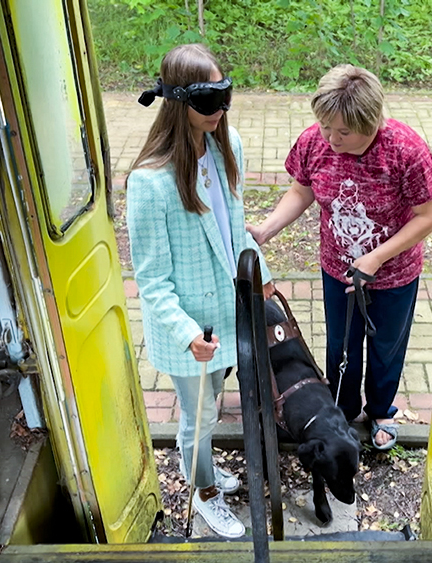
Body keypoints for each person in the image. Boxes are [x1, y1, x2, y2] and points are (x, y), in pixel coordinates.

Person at [249, 64, 432, 451]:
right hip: (337, 267)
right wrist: (266, 229)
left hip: (394, 273)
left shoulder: (406, 150)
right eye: (325, 126)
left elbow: (431, 215)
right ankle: (343, 406)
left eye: (343, 132)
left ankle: (381, 410)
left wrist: (376, 257)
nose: (331, 138)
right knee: (340, 345)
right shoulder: (314, 143)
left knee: (386, 345)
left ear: (371, 123)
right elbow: (301, 191)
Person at [127, 43, 274, 538]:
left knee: (214, 404)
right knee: (198, 415)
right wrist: (187, 331)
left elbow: (235, 228)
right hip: (189, 327)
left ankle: (205, 471)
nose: (221, 110)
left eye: (225, 96)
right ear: (177, 101)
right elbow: (150, 278)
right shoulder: (150, 182)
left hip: (226, 312)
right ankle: (203, 490)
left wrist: (263, 271)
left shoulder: (223, 143)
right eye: (209, 101)